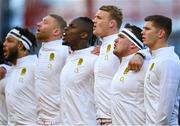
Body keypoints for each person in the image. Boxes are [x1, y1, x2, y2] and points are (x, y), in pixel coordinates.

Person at [93, 5, 147, 125]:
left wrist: (141, 54)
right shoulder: (103, 47)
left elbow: (148, 49)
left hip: (117, 119)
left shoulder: (121, 44)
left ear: (111, 23)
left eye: (99, 17)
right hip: (101, 119)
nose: (94, 20)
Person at [142, 15, 180, 125]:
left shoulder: (168, 61)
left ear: (160, 33)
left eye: (147, 29)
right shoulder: (156, 58)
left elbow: (165, 107)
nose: (142, 32)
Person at [60, 17, 98, 125]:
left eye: (72, 27)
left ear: (84, 35)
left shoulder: (95, 58)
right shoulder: (69, 57)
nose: (66, 29)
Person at [110, 23, 148, 125]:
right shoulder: (123, 63)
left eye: (121, 37)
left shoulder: (144, 63)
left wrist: (143, 53)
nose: (115, 40)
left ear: (133, 44)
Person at [35, 14, 69, 125]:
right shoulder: (42, 50)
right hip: (41, 120)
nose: (38, 23)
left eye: (45, 22)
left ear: (56, 31)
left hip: (59, 120)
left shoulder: (64, 50)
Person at [3, 26, 37, 125]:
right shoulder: (8, 71)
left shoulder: (36, 66)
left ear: (21, 45)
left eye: (9, 41)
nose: (4, 44)